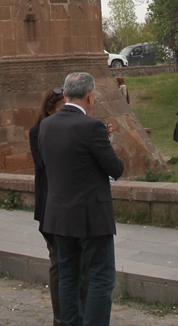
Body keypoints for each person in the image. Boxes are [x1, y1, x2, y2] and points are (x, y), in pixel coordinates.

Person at [40, 72, 124, 326]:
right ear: (90, 96)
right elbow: (115, 169)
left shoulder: (46, 125)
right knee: (101, 277)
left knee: (68, 274)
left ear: (65, 95)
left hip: (58, 213)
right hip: (91, 215)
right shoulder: (92, 127)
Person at [30, 87, 84, 325]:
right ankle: (60, 316)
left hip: (75, 203)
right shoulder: (38, 131)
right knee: (58, 260)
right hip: (50, 203)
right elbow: (44, 164)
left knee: (81, 262)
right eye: (62, 109)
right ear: (50, 109)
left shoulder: (77, 128)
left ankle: (80, 312)